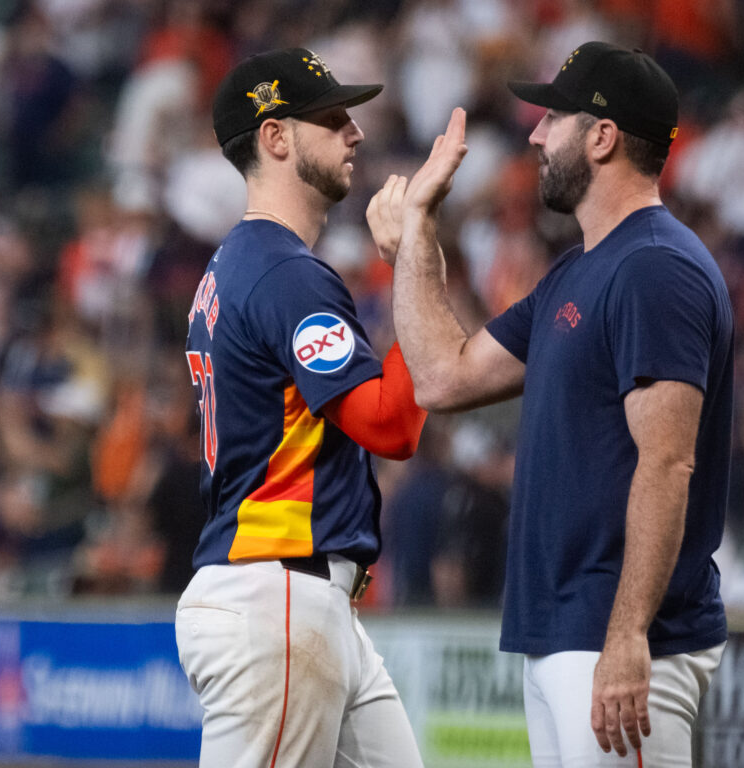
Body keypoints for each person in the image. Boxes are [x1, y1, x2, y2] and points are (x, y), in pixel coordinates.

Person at [369, 41, 733, 767]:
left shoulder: (654, 267)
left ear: (602, 136)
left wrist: (628, 637)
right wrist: (417, 234)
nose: (534, 134)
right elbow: (443, 378)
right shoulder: (582, 270)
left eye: (552, 119)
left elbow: (668, 461)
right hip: (565, 632)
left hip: (623, 641)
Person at [174, 48, 427, 768]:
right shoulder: (284, 270)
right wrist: (411, 266)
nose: (355, 133)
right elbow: (391, 425)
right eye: (332, 117)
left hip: (298, 597)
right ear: (275, 137)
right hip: (277, 592)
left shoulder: (234, 266)